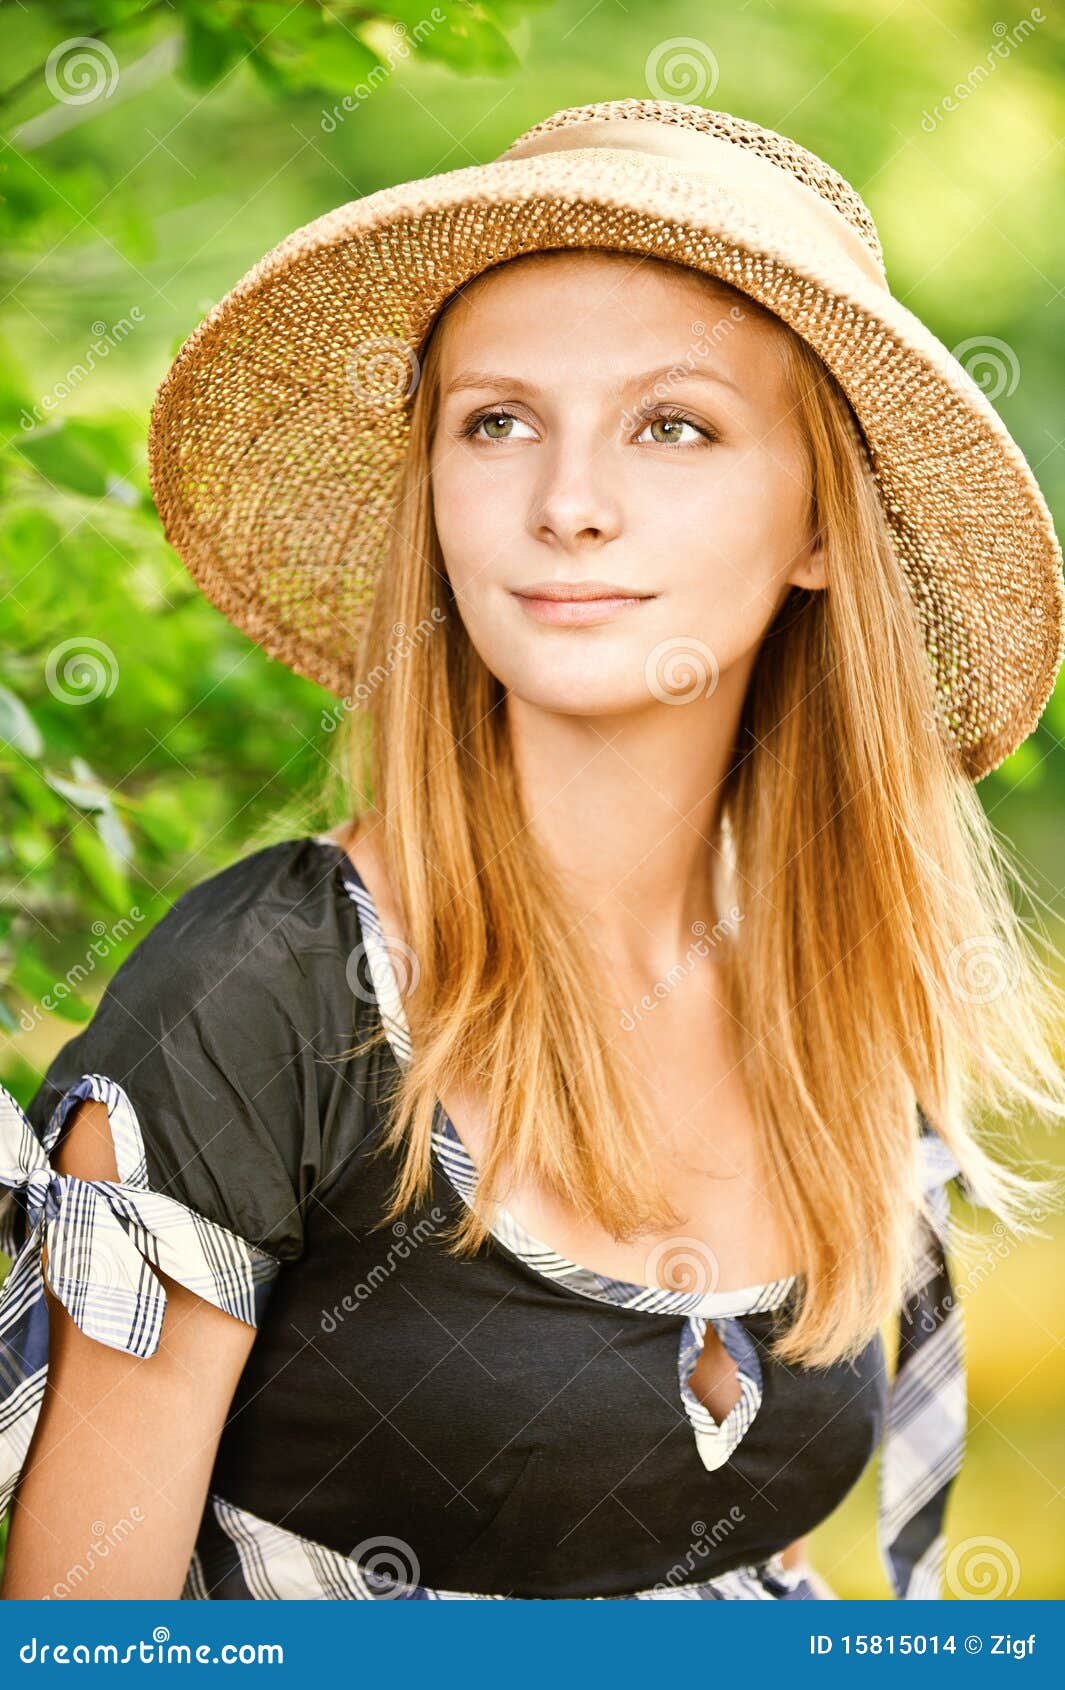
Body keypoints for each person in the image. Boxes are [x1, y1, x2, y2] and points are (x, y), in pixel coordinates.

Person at [2, 96, 1064, 1603]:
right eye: (496, 422)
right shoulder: (273, 995)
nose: (567, 506)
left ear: (821, 527)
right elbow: (84, 1647)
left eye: (672, 426)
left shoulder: (831, 986)